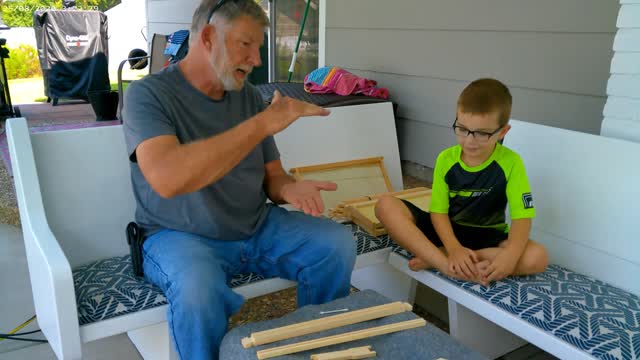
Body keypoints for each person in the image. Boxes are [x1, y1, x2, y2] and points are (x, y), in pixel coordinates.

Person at [122, 1, 356, 359]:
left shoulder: (247, 97)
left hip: (255, 225)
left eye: (258, 47)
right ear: (209, 37)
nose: (257, 59)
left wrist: (291, 188)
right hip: (178, 235)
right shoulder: (149, 95)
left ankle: (315, 347)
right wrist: (263, 122)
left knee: (335, 244)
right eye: (246, 44)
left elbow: (273, 176)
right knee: (197, 291)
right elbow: (168, 179)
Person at [375, 78, 548, 286]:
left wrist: (510, 255)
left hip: (488, 236)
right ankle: (445, 264)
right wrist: (454, 248)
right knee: (385, 205)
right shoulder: (446, 159)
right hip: (446, 229)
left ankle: (442, 257)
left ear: (503, 132)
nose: (469, 141)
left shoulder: (511, 162)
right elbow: (438, 212)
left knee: (538, 257)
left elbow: (523, 217)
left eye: (482, 134)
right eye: (462, 129)